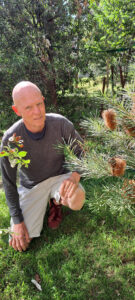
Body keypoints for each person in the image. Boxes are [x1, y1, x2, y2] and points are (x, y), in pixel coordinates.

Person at [0, 81, 85, 252]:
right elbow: (8, 183)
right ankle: (44, 203)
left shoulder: (60, 124)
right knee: (21, 243)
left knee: (77, 200)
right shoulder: (11, 139)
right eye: (29, 108)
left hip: (58, 177)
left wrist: (75, 176)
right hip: (32, 186)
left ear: (43, 100)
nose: (37, 112)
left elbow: (83, 153)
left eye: (39, 104)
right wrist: (17, 221)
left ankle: (56, 201)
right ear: (17, 110)